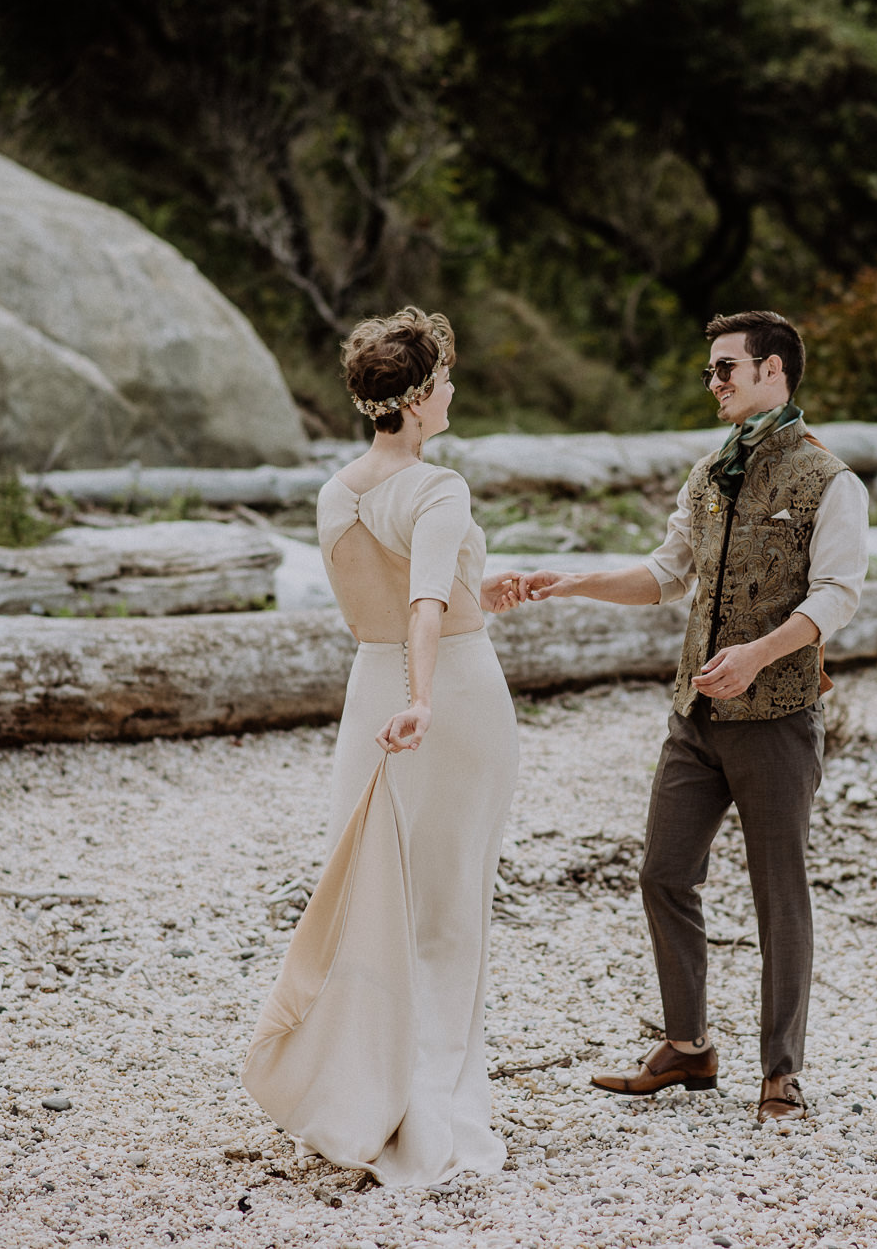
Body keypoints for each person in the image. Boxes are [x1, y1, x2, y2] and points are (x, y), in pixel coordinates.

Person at [525, 310, 866, 1125]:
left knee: (779, 895)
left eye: (725, 369)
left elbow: (839, 596)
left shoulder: (831, 480)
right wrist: (568, 582)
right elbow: (665, 573)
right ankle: (688, 1048)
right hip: (695, 719)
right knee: (663, 874)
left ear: (773, 372)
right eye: (710, 372)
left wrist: (758, 653)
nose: (713, 384)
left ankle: (781, 1072)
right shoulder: (709, 472)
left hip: (780, 719)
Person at [243, 307, 528, 1187]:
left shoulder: (336, 491)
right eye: (442, 381)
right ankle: (428, 1115)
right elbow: (426, 604)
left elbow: (401, 595)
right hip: (445, 700)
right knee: (447, 915)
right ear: (411, 400)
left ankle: (359, 1092)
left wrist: (475, 602)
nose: (451, 393)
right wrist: (424, 699)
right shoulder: (439, 488)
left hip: (369, 691)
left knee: (373, 899)